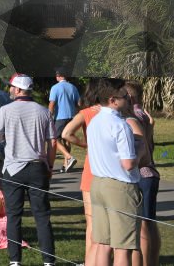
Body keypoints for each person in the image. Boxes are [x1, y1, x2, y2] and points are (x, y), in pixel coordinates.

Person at [0, 74, 56, 266]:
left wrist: (7, 137)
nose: (10, 90)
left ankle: (15, 260)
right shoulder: (44, 111)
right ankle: (49, 261)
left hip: (13, 168)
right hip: (37, 167)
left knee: (14, 216)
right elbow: (52, 142)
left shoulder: (6, 110)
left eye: (12, 87)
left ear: (18, 90)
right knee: (42, 216)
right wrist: (50, 166)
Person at [87, 78, 142, 266]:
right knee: (123, 247)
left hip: (98, 183)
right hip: (119, 187)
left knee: (103, 243)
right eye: (124, 96)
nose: (128, 99)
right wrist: (141, 149)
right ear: (113, 100)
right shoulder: (120, 125)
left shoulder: (94, 121)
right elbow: (128, 163)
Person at [62, 78, 104, 265]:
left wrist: (85, 144)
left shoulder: (86, 113)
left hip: (92, 166)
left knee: (91, 223)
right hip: (111, 168)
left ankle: (90, 260)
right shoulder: (114, 113)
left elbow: (66, 133)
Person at [124, 80, 159, 266]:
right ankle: (152, 261)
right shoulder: (144, 114)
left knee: (140, 228)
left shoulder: (132, 116)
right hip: (152, 172)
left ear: (130, 96)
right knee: (150, 224)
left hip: (142, 173)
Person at [48, 67, 81, 172]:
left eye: (56, 75)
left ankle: (68, 157)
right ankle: (66, 165)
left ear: (59, 76)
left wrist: (48, 116)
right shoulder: (73, 87)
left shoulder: (55, 87)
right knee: (67, 139)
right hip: (71, 116)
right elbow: (79, 103)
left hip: (60, 117)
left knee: (54, 139)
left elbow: (52, 104)